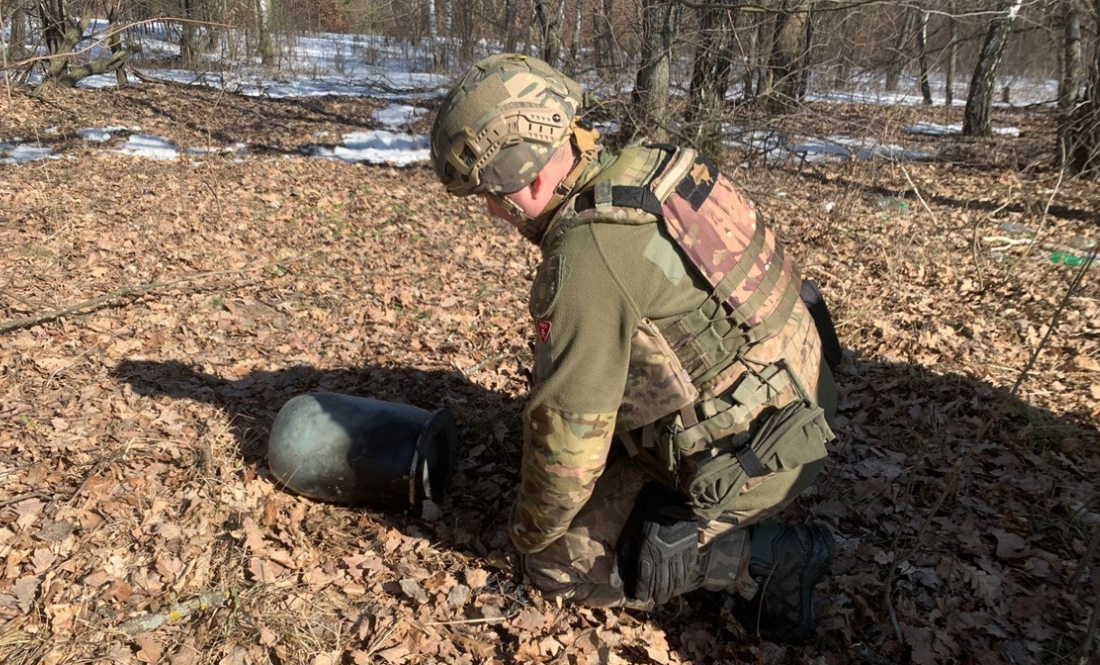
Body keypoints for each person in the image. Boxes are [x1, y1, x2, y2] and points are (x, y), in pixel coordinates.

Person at [429, 53, 842, 644]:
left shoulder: (586, 259)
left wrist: (526, 535)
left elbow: (567, 448)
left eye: (492, 195)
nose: (493, 211)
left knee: (554, 564)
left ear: (533, 178)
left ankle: (771, 558)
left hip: (759, 461)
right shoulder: (653, 166)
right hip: (806, 396)